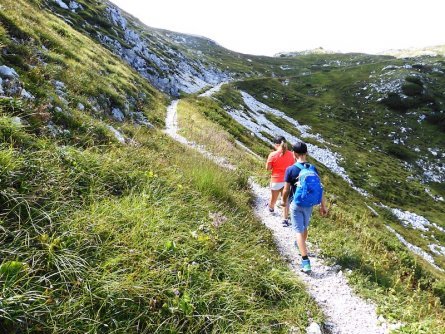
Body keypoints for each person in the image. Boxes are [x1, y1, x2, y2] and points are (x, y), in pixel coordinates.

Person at [282, 141, 328, 273]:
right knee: (304, 228)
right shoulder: (312, 168)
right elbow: (320, 188)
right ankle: (301, 245)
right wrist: (323, 206)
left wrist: (283, 202)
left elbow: (286, 190)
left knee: (298, 231)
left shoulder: (290, 169)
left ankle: (305, 261)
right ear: (306, 153)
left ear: (294, 154)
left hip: (296, 204)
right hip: (309, 204)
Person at [266, 136, 295, 226]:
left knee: (273, 198)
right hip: (287, 181)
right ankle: (284, 219)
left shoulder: (273, 154)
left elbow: (268, 168)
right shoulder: (291, 154)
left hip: (276, 179)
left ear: (276, 144)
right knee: (285, 200)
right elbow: (292, 167)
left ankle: (271, 209)